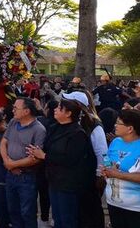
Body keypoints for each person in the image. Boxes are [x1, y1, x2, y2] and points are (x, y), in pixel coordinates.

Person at [27, 98, 97, 228]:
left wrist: (44, 156)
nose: (55, 109)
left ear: (68, 113)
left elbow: (71, 159)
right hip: (54, 180)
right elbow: (48, 147)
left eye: (59, 108)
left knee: (67, 218)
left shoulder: (77, 133)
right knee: (58, 217)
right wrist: (36, 152)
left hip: (69, 183)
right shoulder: (54, 128)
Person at [0, 97, 46, 228]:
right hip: (11, 175)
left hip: (27, 177)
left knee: (27, 212)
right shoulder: (14, 122)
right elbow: (4, 142)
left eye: (16, 108)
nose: (13, 110)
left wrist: (13, 165)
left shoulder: (39, 130)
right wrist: (6, 161)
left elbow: (36, 157)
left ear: (26, 111)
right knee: (13, 211)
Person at [70, 90, 108, 228]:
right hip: (77, 176)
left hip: (90, 175)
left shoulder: (93, 123)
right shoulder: (76, 122)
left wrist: (101, 174)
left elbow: (102, 152)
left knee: (91, 210)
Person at [102, 109, 140, 228]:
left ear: (130, 129)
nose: (115, 125)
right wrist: (106, 171)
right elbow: (108, 162)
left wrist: (117, 174)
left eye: (119, 123)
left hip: (135, 208)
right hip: (113, 202)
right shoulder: (116, 142)